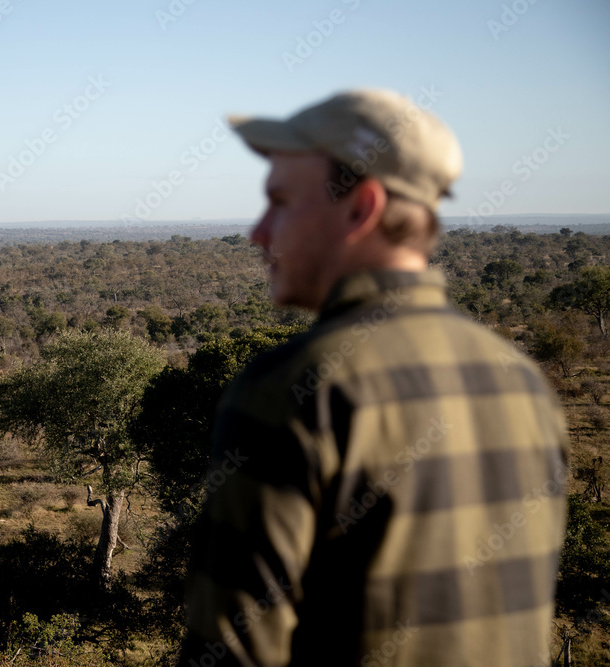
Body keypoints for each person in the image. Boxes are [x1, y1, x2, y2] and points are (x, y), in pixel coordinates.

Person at [179, 90, 568, 666]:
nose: (258, 232)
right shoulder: (525, 382)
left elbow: (233, 654)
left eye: (280, 201)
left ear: (361, 208)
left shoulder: (295, 386)